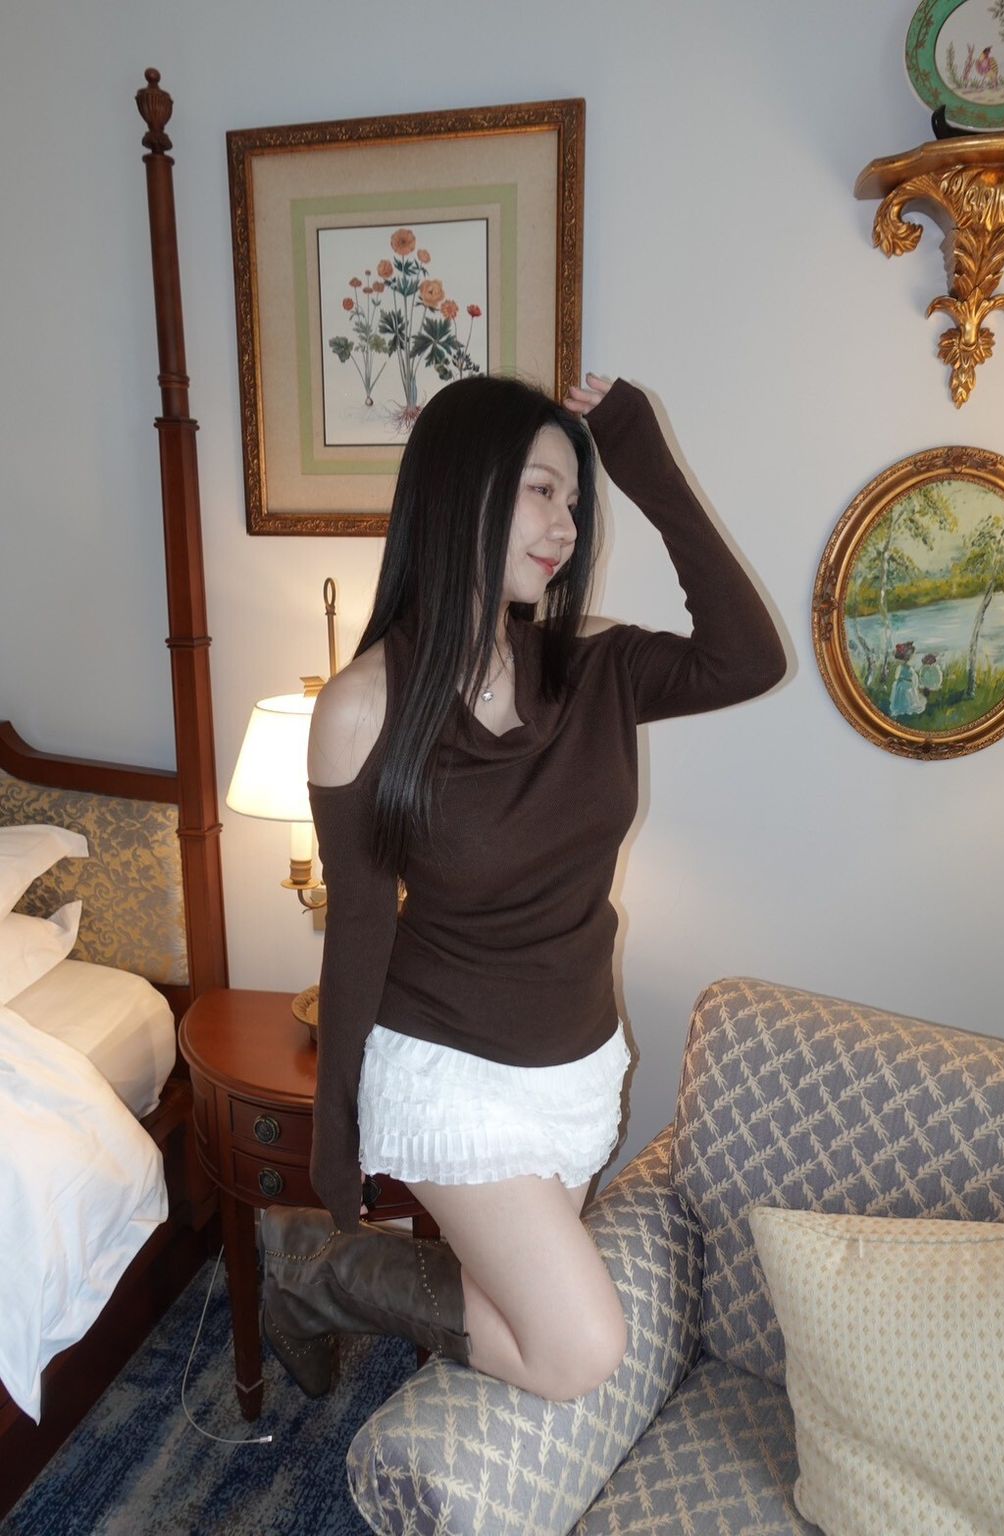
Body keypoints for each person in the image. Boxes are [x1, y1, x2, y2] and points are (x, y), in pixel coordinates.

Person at [260, 371, 786, 1404]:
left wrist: (639, 456)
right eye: (542, 491)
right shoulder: (362, 708)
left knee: (512, 1320)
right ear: (463, 490)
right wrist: (336, 1131)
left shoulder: (589, 667)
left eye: (575, 501)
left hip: (580, 1057)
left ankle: (317, 1274)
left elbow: (747, 658)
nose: (567, 528)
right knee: (577, 1350)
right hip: (447, 1067)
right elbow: (359, 928)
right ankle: (329, 1269)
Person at [889, 640, 927, 718]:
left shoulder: (903, 667)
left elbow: (897, 677)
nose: (914, 657)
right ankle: (905, 711)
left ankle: (902, 711)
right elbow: (912, 678)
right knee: (907, 701)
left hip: (902, 686)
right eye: (913, 655)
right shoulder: (908, 669)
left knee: (902, 700)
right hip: (907, 688)